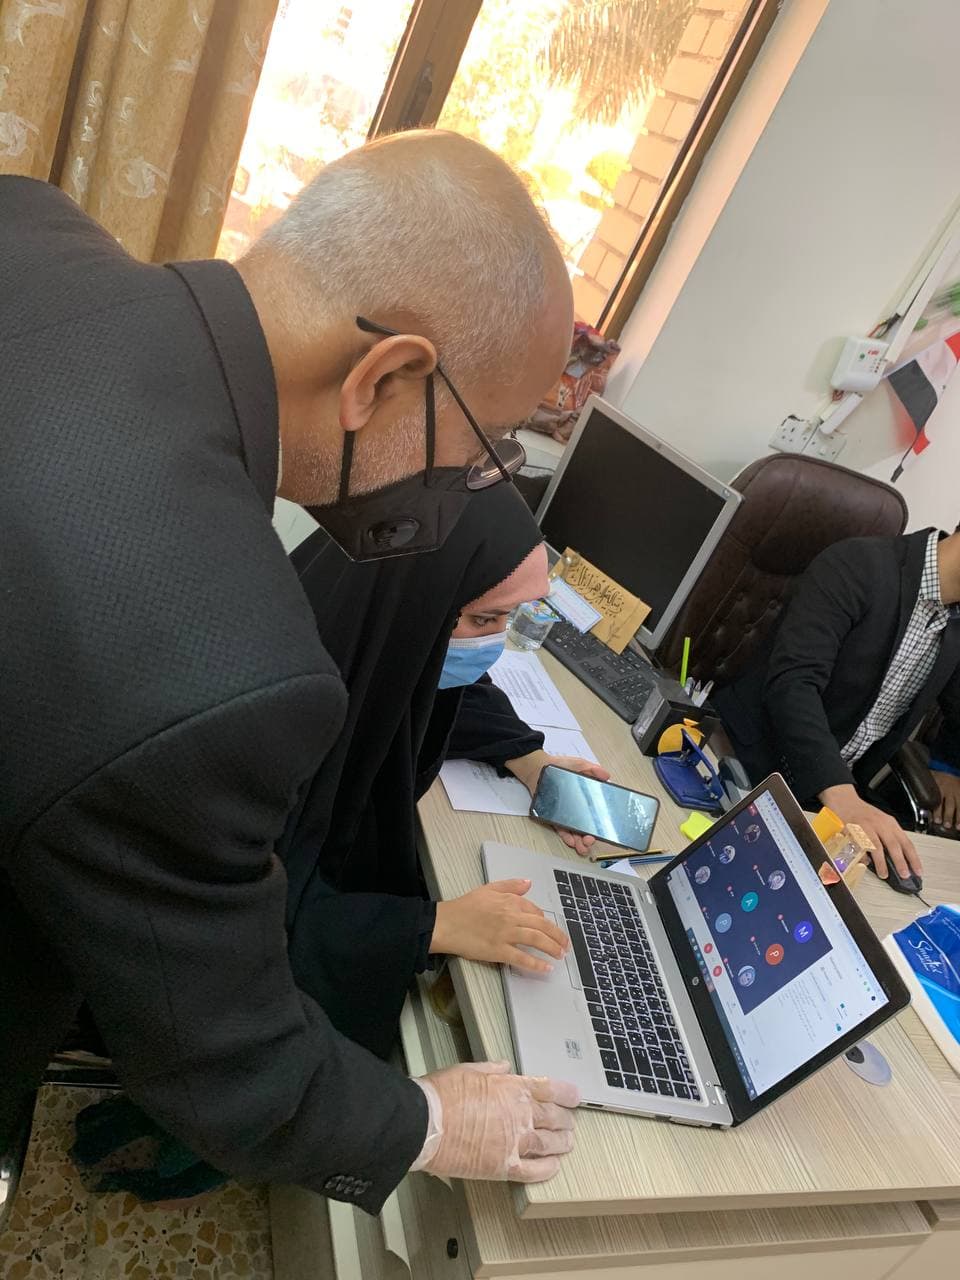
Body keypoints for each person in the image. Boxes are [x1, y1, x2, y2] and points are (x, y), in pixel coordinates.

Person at [1, 129, 578, 1214]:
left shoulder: (27, 221)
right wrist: (434, 1119)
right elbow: (224, 1059)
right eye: (482, 445)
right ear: (387, 376)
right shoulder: (226, 672)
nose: (473, 481)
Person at [282, 482, 611, 1060]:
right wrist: (436, 925)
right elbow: (249, 920)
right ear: (421, 599)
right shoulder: (288, 715)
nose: (495, 644)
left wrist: (532, 762)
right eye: (485, 619)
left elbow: (435, 688)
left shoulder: (368, 626)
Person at [714, 525, 960, 879]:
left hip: (829, 797)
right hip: (747, 764)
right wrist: (841, 794)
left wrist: (949, 766)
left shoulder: (953, 620)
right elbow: (793, 684)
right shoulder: (858, 564)